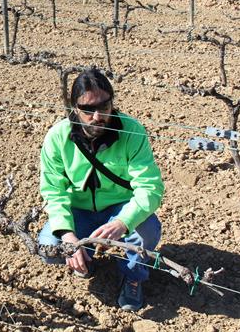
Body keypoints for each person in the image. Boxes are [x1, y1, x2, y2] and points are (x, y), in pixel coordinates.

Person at [38, 68, 164, 311]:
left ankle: (133, 275)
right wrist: (68, 237)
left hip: (119, 209)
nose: (97, 116)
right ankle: (84, 258)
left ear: (112, 103)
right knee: (48, 247)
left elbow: (150, 187)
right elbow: (53, 190)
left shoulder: (131, 131)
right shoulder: (57, 137)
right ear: (74, 107)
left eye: (104, 106)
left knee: (146, 230)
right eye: (88, 109)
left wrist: (123, 223)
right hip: (79, 212)